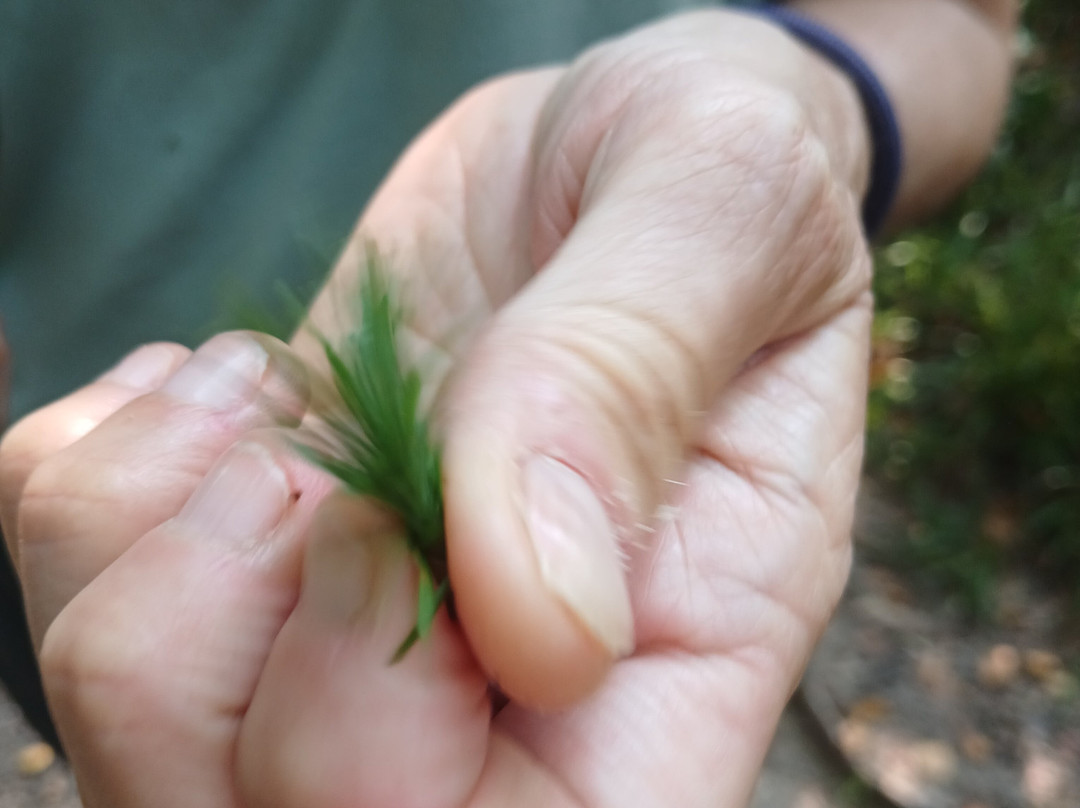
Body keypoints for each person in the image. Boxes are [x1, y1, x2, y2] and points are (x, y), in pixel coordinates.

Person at [0, 1, 1016, 805]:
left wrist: (805, 107)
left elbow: (959, 19)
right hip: (85, 553)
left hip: (657, 548)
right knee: (143, 715)